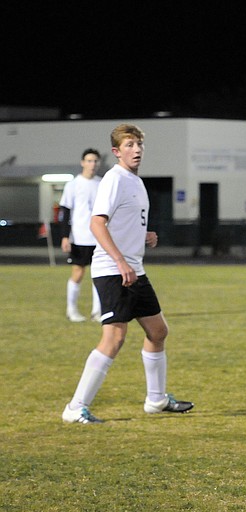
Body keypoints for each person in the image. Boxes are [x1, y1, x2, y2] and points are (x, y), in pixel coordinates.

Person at [62, 124, 193, 424]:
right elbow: (97, 224)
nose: (136, 150)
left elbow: (124, 220)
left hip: (134, 270)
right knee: (114, 338)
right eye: (130, 144)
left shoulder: (135, 181)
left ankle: (156, 400)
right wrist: (120, 261)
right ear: (117, 151)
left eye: (139, 145)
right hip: (113, 271)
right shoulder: (114, 179)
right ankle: (75, 407)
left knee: (158, 331)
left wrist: (144, 235)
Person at [59, 148, 103, 322]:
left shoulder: (101, 184)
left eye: (95, 161)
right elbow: (65, 211)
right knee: (78, 272)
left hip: (99, 237)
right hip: (79, 236)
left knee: (99, 275)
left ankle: (97, 312)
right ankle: (72, 310)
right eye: (89, 161)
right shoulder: (73, 184)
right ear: (82, 162)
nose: (92, 164)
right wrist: (64, 236)